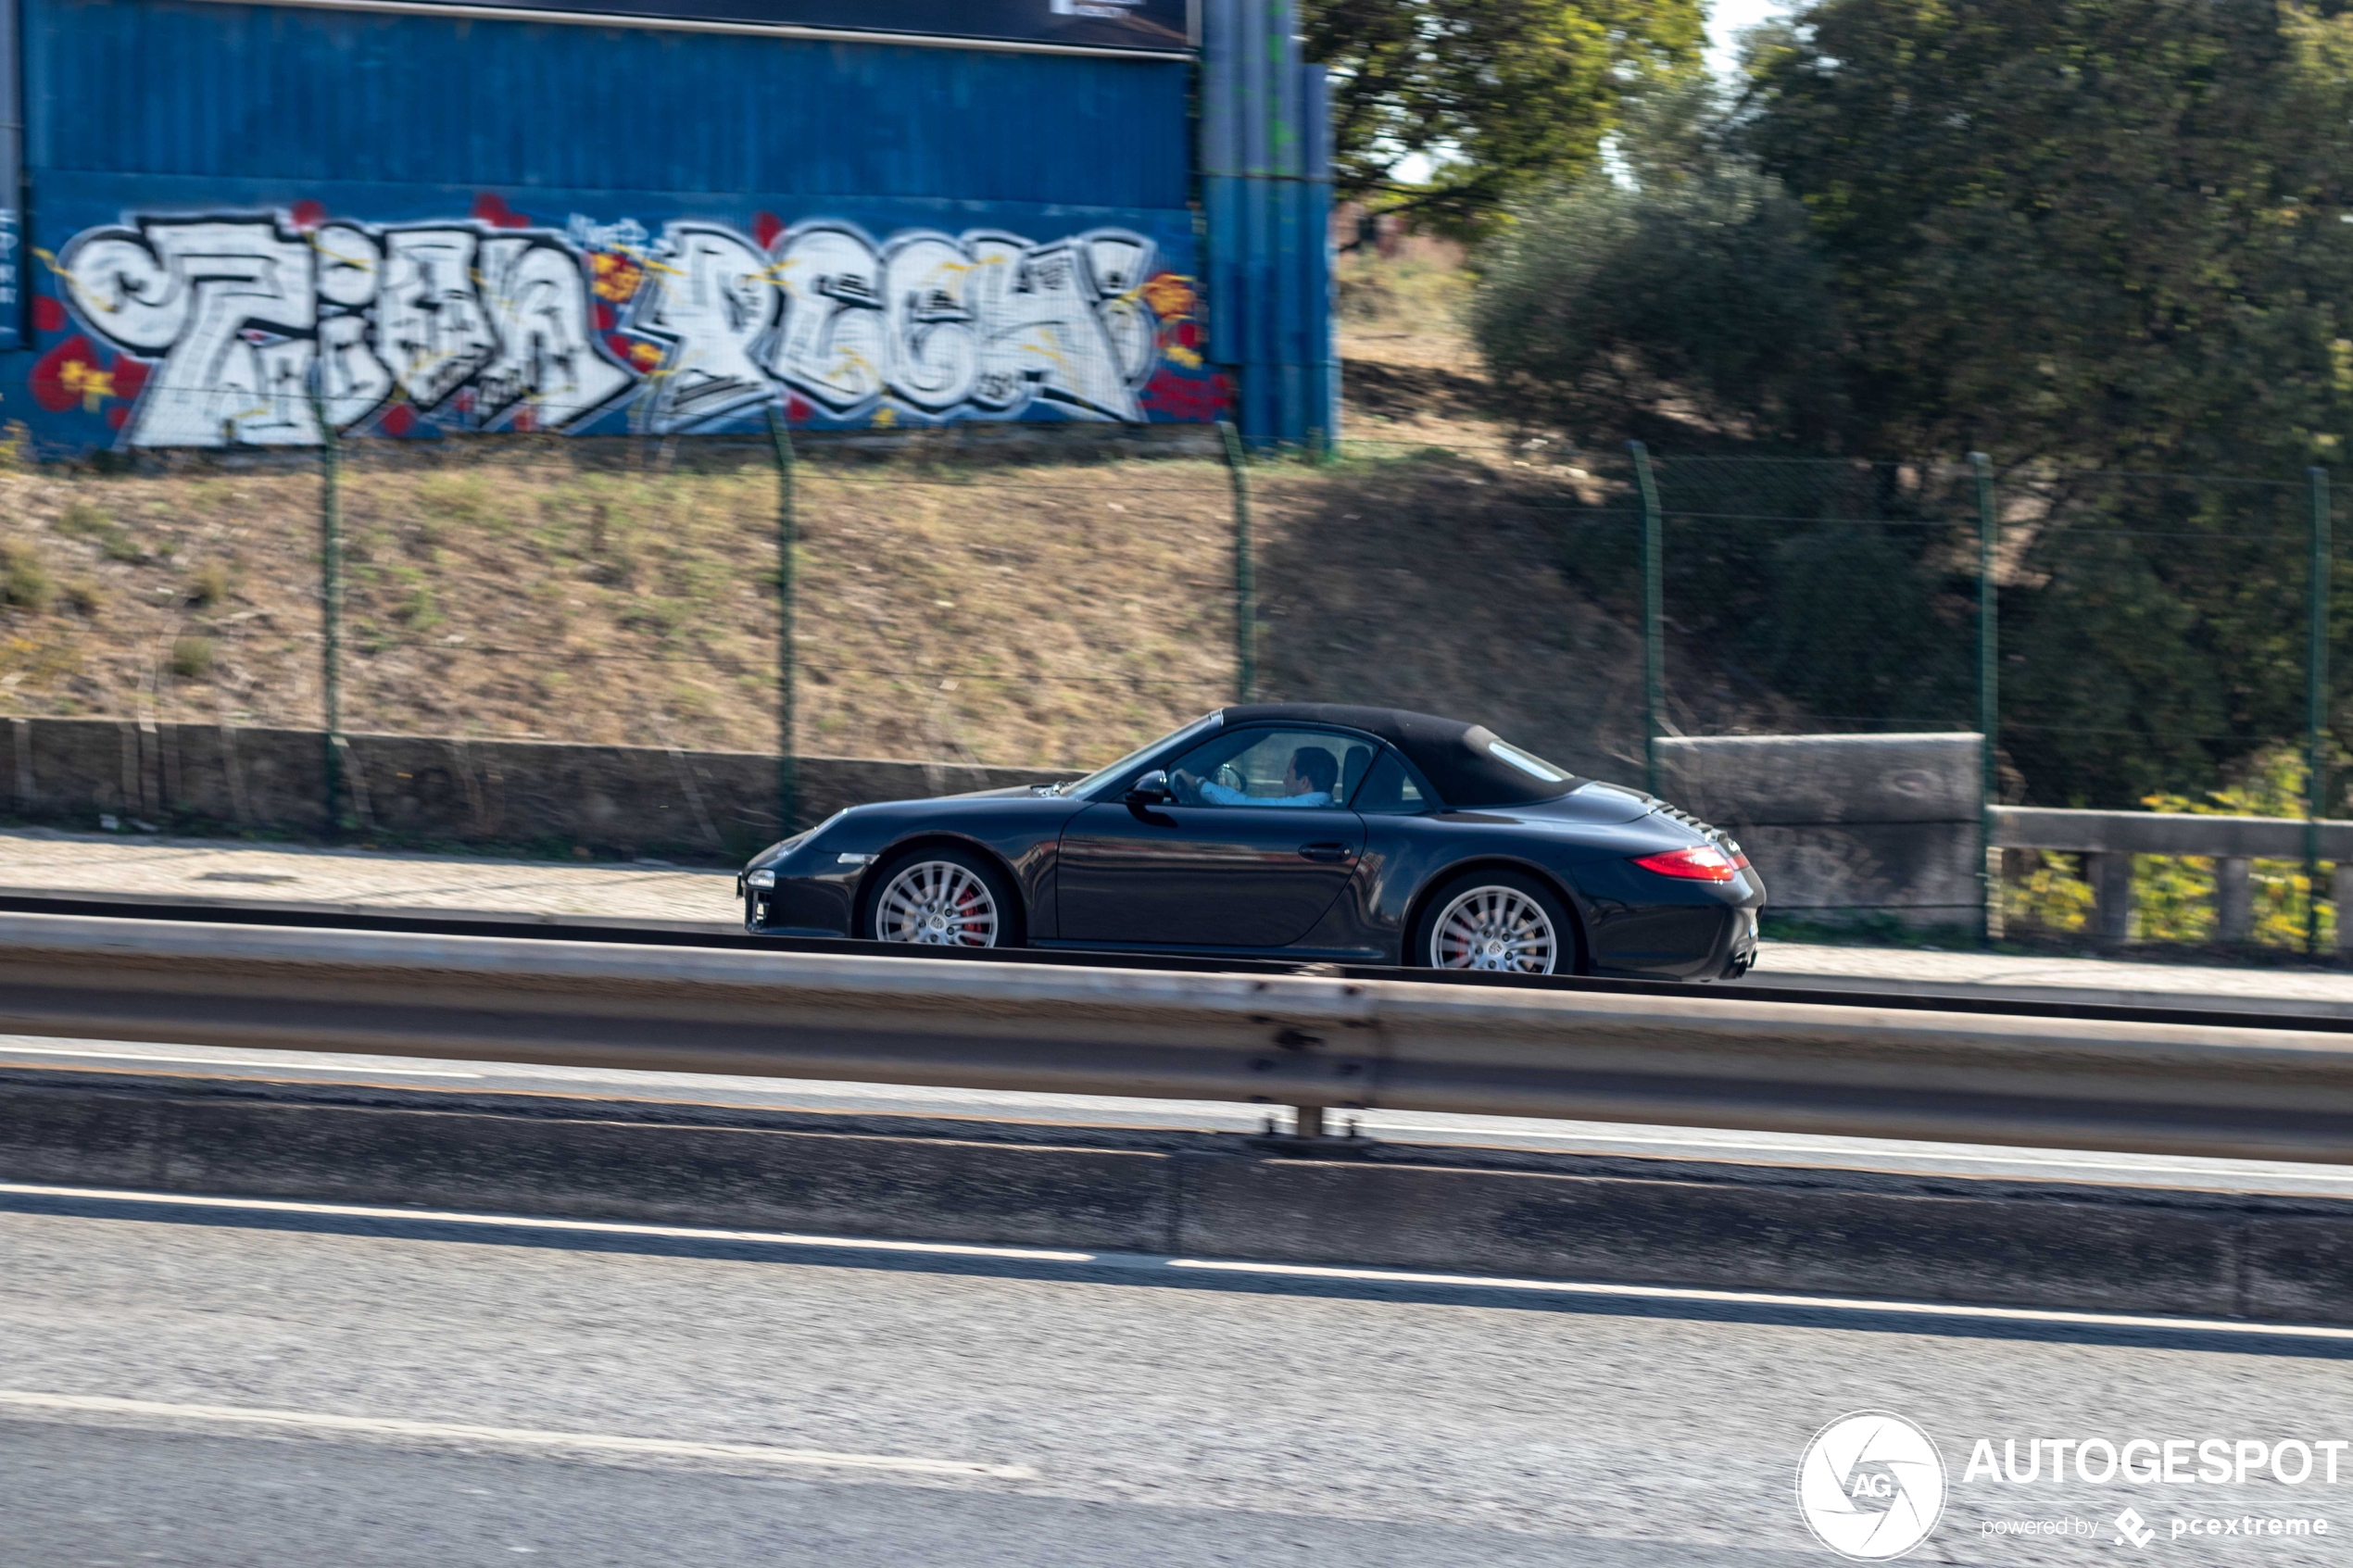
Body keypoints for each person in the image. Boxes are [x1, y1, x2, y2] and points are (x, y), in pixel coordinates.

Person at [1173, 746, 1339, 808]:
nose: (1284, 781)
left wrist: (1197, 782)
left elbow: (1242, 805)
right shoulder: (1330, 807)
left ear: (1303, 782)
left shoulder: (1299, 809)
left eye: (1289, 774)